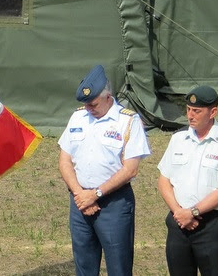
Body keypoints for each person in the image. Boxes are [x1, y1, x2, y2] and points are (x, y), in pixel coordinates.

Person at [57, 64, 150, 276]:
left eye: (93, 104)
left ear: (108, 97)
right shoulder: (78, 117)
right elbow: (64, 160)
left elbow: (131, 169)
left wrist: (96, 194)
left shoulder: (128, 121)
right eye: (86, 104)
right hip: (80, 202)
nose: (89, 108)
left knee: (118, 266)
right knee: (84, 265)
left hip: (113, 203)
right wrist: (81, 194)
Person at [157, 85, 218, 276]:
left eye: (197, 111)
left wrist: (193, 212)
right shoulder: (178, 138)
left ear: (213, 112)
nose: (190, 115)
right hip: (178, 222)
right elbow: (164, 180)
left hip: (210, 226)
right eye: (188, 110)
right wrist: (179, 212)